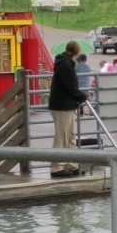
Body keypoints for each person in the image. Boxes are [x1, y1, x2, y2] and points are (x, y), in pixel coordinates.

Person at [48, 40, 84, 178]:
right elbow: (70, 86)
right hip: (62, 105)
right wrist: (81, 96)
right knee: (62, 136)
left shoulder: (63, 63)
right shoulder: (66, 65)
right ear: (76, 52)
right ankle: (57, 166)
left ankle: (72, 163)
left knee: (69, 135)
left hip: (64, 104)